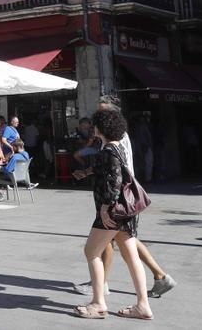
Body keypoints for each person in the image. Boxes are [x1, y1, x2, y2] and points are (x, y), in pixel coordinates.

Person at [75, 107, 153, 320]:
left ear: (101, 127)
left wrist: (105, 206)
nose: (93, 128)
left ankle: (98, 303)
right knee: (132, 256)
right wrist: (89, 172)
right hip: (125, 213)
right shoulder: (118, 148)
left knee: (91, 252)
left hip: (112, 213)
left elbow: (115, 180)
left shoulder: (108, 151)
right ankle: (143, 305)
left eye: (95, 125)